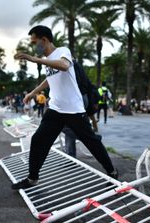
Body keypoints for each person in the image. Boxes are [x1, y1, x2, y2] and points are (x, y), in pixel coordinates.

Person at [11, 25, 117, 190]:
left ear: (44, 40)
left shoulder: (62, 51)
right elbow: (50, 79)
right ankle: (32, 178)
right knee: (38, 140)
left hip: (73, 110)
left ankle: (112, 172)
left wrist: (35, 59)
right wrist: (32, 93)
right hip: (55, 109)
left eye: (34, 42)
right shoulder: (48, 60)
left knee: (91, 142)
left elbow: (64, 66)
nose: (34, 46)